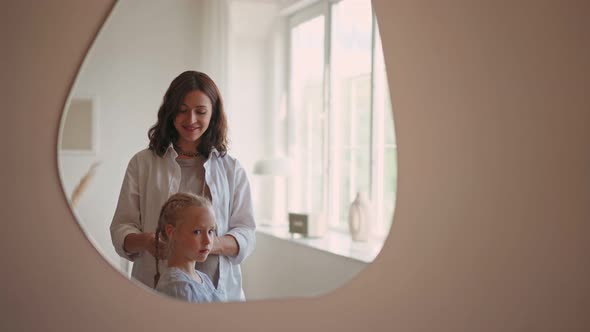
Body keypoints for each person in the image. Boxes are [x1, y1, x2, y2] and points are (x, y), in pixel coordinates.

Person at [110, 70, 256, 301]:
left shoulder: (231, 169)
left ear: (214, 114)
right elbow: (121, 227)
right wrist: (147, 242)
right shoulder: (143, 163)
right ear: (170, 112)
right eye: (182, 111)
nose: (191, 120)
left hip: (220, 294)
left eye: (201, 112)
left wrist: (210, 244)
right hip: (154, 289)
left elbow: (246, 232)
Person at [154, 193, 225, 303]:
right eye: (197, 232)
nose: (207, 241)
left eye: (210, 231)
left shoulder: (203, 279)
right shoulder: (177, 286)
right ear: (171, 232)